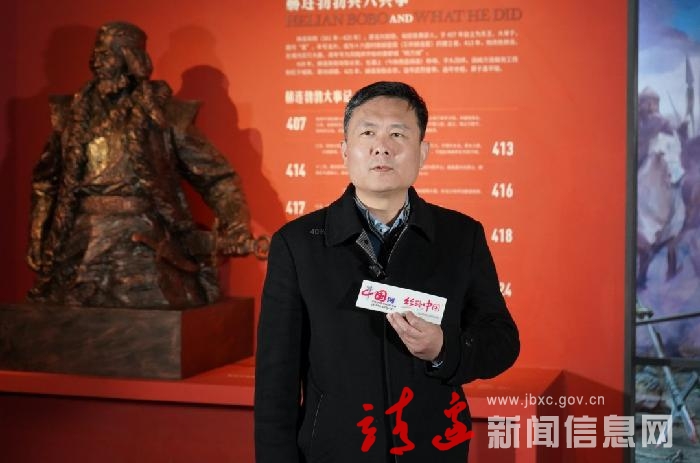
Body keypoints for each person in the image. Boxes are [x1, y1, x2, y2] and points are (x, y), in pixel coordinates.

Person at [255, 81, 519, 462]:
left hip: (433, 451)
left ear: (422, 152)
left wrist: (444, 349)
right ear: (345, 151)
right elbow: (275, 385)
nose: (382, 147)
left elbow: (502, 340)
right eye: (368, 133)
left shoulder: (462, 237)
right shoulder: (297, 245)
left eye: (398, 134)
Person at [26, 22, 255, 308]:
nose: (97, 61)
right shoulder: (70, 115)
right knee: (63, 307)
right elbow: (45, 182)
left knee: (148, 303)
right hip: (80, 241)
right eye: (96, 53)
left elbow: (218, 179)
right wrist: (38, 235)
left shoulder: (164, 115)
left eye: (107, 54)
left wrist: (236, 227)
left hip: (142, 239)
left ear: (130, 59)